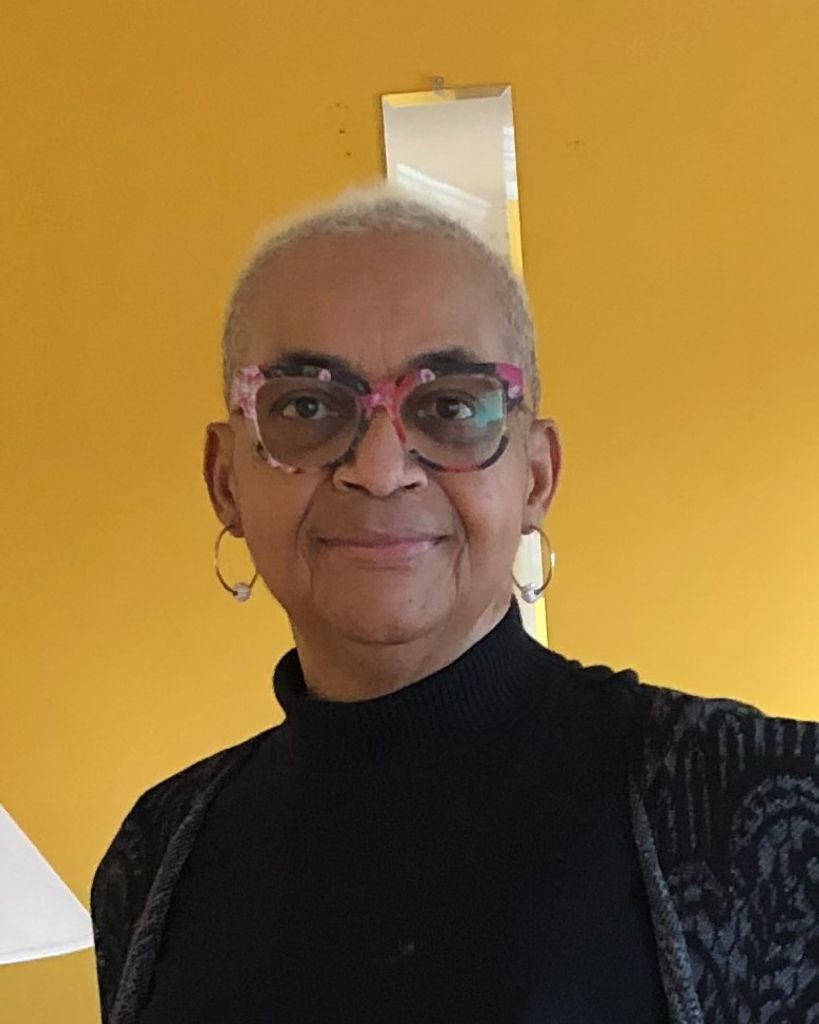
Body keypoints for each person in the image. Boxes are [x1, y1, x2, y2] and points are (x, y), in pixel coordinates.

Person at [90, 184, 819, 1024]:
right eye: (305, 406)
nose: (379, 469)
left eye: (451, 406)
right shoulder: (156, 852)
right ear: (225, 481)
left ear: (535, 476)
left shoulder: (770, 810)